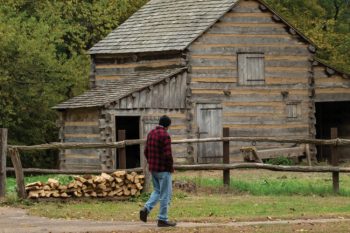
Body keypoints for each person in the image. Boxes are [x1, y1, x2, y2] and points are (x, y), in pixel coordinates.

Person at [139, 115, 176, 227]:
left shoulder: (151, 133)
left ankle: (146, 208)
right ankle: (162, 219)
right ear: (167, 125)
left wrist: (151, 162)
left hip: (153, 169)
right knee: (166, 194)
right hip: (163, 169)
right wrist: (170, 167)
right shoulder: (165, 135)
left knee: (157, 191)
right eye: (169, 125)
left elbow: (146, 151)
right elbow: (168, 155)